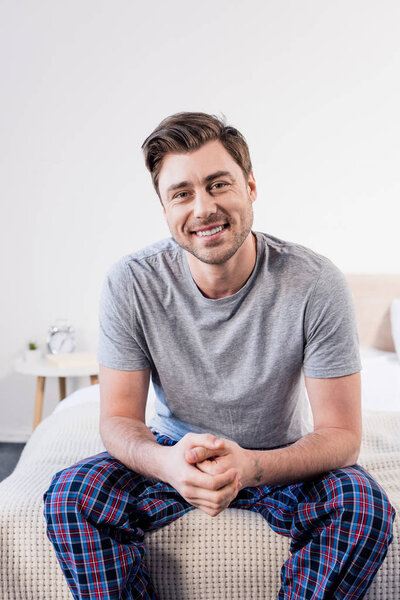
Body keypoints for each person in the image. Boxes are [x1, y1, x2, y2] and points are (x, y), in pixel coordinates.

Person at [44, 112, 395, 600]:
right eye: (182, 194)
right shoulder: (130, 283)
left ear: (250, 187)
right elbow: (118, 420)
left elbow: (341, 436)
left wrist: (250, 466)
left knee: (363, 506)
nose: (203, 207)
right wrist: (168, 465)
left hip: (278, 459)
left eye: (218, 184)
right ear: (165, 210)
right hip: (173, 455)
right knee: (71, 496)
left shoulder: (315, 283)